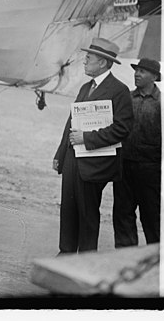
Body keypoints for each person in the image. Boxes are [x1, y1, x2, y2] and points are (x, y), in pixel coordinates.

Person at [53, 38, 134, 254]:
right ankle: (67, 251)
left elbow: (122, 129)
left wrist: (87, 139)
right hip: (73, 159)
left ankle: (86, 256)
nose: (84, 61)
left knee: (88, 212)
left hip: (94, 162)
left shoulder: (119, 91)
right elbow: (71, 123)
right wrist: (60, 155)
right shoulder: (85, 87)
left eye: (89, 58)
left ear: (102, 63)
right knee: (69, 208)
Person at [113, 58, 163, 247]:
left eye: (142, 71)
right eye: (136, 70)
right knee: (122, 215)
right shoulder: (126, 100)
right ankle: (127, 261)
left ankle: (157, 263)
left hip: (151, 170)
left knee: (152, 218)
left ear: (155, 77)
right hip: (124, 167)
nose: (137, 74)